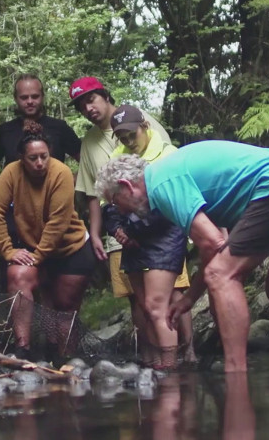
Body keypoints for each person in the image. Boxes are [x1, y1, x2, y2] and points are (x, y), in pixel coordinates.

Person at [95, 142, 269, 372]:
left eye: (115, 201)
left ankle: (236, 375)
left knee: (221, 275)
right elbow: (212, 247)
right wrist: (190, 298)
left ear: (127, 185)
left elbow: (214, 245)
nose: (120, 211)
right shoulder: (171, 172)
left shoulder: (161, 182)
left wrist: (191, 296)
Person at [69, 76, 172, 361]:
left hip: (161, 224)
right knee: (135, 297)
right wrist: (97, 234)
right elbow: (94, 194)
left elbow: (164, 161)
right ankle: (150, 355)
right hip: (119, 229)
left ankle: (182, 353)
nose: (88, 108)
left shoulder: (141, 118)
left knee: (171, 289)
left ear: (104, 95)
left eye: (91, 99)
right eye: (81, 106)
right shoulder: (89, 143)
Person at [0, 120, 95, 358]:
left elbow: (58, 221)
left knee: (64, 307)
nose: (39, 163)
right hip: (35, 247)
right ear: (21, 158)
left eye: (44, 156)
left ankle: (66, 359)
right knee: (17, 274)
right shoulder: (11, 173)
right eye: (33, 158)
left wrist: (39, 256)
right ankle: (22, 349)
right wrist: (7, 250)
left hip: (70, 248)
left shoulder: (61, 172)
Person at [102, 105, 192, 368]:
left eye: (132, 135)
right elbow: (109, 203)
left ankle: (176, 361)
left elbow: (171, 204)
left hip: (164, 235)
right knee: (144, 306)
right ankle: (157, 365)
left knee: (162, 303)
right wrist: (118, 230)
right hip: (131, 239)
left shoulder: (168, 154)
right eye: (123, 137)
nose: (129, 142)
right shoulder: (116, 158)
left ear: (145, 127)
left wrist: (130, 230)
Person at [0, 74, 80, 190]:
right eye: (24, 97)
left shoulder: (59, 127)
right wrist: (0, 194)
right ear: (15, 98)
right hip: (17, 203)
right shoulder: (5, 131)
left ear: (42, 96)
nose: (30, 101)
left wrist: (68, 182)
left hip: (54, 202)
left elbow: (87, 162)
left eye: (35, 96)